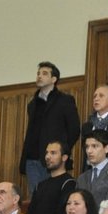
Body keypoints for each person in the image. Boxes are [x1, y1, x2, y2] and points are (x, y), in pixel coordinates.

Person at [20, 61, 80, 193]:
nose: (39, 76)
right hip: (32, 159)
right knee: (35, 198)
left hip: (54, 158)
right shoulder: (32, 104)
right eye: (38, 73)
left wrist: (61, 150)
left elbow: (74, 129)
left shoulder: (65, 100)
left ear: (54, 79)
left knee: (53, 195)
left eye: (44, 73)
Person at [28, 140, 77, 214]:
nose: (47, 157)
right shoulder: (40, 185)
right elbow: (30, 212)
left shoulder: (69, 183)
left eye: (53, 153)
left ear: (64, 157)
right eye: (47, 153)